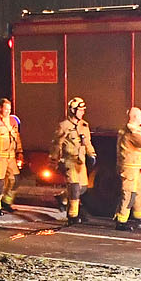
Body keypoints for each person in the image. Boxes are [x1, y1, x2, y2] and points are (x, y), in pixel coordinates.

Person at [49, 96, 95, 226]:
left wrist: (92, 154)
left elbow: (87, 143)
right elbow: (56, 144)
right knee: (74, 188)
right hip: (69, 161)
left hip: (81, 163)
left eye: (83, 110)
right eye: (80, 110)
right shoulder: (64, 126)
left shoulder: (84, 126)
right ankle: (72, 216)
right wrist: (54, 160)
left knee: (83, 188)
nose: (82, 112)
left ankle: (63, 197)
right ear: (73, 111)